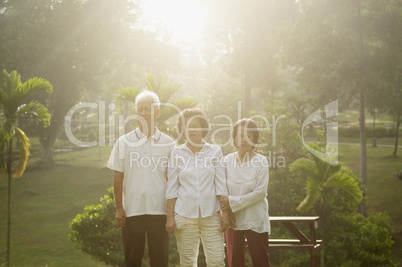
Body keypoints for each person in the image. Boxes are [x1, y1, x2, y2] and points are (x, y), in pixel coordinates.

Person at [107, 91, 175, 267]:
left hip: (159, 210)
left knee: (160, 261)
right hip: (132, 211)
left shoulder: (169, 143)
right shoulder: (123, 142)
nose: (143, 113)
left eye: (148, 109)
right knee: (132, 261)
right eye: (140, 109)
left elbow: (173, 180)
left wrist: (170, 213)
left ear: (157, 112)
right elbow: (117, 176)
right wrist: (119, 208)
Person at [165, 108, 230, 267]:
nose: (191, 130)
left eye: (195, 125)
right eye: (187, 126)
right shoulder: (176, 154)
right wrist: (169, 217)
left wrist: (225, 213)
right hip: (184, 215)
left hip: (212, 214)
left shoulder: (215, 152)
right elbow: (171, 188)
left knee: (216, 261)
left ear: (203, 128)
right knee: (187, 263)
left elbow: (221, 186)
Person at [220, 118, 271, 267]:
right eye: (240, 135)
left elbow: (260, 192)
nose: (243, 139)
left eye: (248, 135)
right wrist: (226, 211)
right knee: (234, 262)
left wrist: (232, 202)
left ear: (255, 138)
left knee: (260, 261)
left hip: (255, 218)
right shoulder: (226, 161)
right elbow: (221, 188)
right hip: (233, 219)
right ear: (234, 137)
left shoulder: (261, 161)